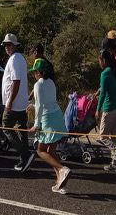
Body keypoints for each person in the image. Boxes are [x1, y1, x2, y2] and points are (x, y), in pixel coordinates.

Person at [28, 60, 71, 194]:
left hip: (48, 119)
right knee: (51, 151)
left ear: (39, 73)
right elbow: (47, 102)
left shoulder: (37, 85)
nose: (34, 74)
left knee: (41, 150)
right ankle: (60, 182)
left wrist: (36, 125)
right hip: (57, 115)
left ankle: (62, 169)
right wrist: (34, 106)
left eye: (35, 72)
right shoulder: (51, 82)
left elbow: (41, 106)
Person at [1, 33, 36, 172]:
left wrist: (9, 102)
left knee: (6, 126)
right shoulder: (19, 58)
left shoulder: (14, 60)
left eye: (9, 44)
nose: (6, 47)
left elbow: (16, 82)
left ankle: (24, 154)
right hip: (22, 102)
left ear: (15, 45)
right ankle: (24, 157)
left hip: (15, 102)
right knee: (21, 128)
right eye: (5, 45)